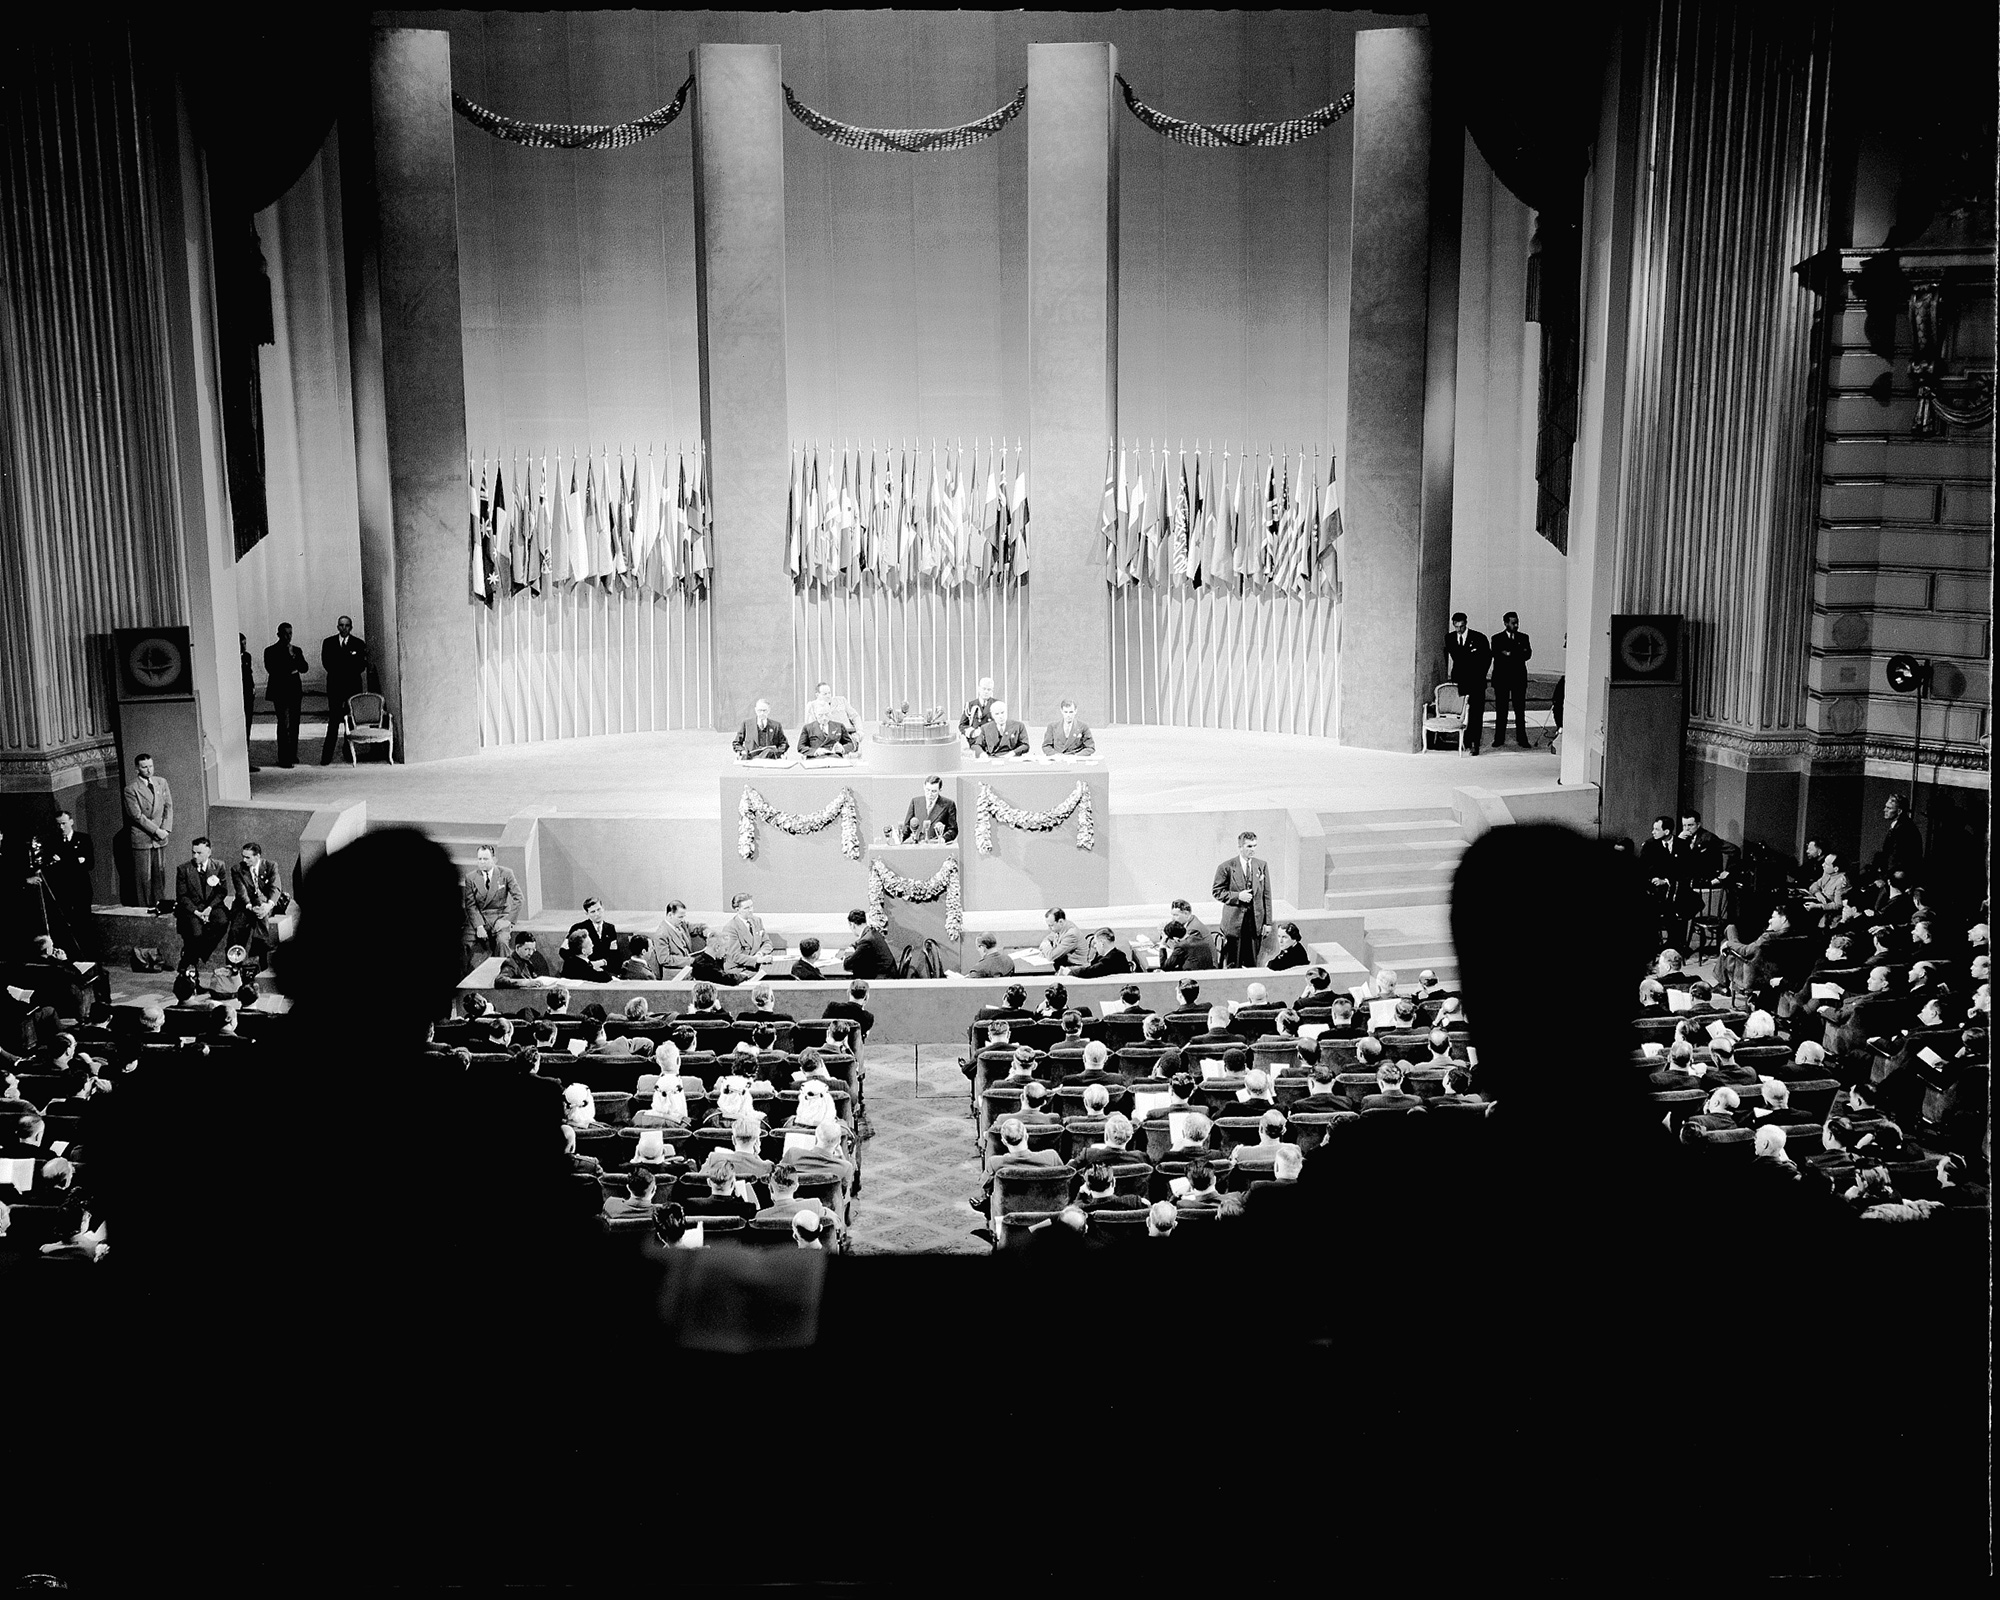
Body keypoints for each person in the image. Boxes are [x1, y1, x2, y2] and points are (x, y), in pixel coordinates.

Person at [1211, 830, 1271, 969]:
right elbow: (1217, 891)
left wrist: (1267, 922)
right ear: (1240, 847)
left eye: (1255, 846)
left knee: (1252, 961)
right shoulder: (1227, 867)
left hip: (1255, 921)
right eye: (1249, 846)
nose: (1253, 850)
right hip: (1234, 922)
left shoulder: (1261, 865)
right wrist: (1238, 896)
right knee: (1233, 961)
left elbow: (1266, 895)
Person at [40, 809, 95, 958]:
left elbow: (89, 864)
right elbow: (51, 867)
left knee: (83, 923)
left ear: (71, 822)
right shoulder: (53, 842)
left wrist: (64, 860)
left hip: (81, 889)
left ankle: (88, 955)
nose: (61, 827)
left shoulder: (83, 839)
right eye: (58, 825)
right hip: (63, 891)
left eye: (64, 823)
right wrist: (75, 860)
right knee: (65, 924)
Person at [122, 752, 173, 907]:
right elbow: (137, 816)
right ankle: (145, 909)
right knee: (144, 878)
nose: (149, 770)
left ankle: (161, 906)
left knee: (160, 874)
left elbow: (168, 807)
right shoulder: (131, 789)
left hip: (160, 837)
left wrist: (165, 829)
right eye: (144, 767)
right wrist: (156, 831)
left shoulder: (161, 782)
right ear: (137, 769)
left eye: (150, 766)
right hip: (143, 837)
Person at [461, 845, 523, 969]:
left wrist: (507, 921)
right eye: (480, 859)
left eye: (486, 859)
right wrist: (479, 926)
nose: (482, 862)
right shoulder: (471, 878)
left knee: (502, 942)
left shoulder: (506, 874)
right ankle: (461, 978)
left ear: (494, 859)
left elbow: (519, 898)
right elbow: (471, 905)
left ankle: (504, 974)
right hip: (479, 916)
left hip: (500, 916)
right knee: (464, 942)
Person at [225, 841, 287, 960]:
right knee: (236, 930)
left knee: (262, 913)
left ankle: (258, 949)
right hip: (245, 905)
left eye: (248, 857)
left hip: (266, 903)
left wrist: (268, 905)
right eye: (243, 856)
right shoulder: (237, 869)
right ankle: (234, 961)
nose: (244, 860)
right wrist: (250, 906)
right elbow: (241, 892)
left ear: (257, 856)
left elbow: (276, 887)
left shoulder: (271, 866)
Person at [319, 615, 369, 763]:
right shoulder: (328, 643)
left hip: (352, 687)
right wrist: (346, 665)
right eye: (341, 625)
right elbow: (327, 663)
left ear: (351, 627)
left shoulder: (358, 644)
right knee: (333, 721)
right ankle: (326, 756)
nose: (344, 628)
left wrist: (344, 667)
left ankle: (349, 753)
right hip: (335, 687)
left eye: (347, 625)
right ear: (337, 627)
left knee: (350, 721)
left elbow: (360, 665)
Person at [175, 837, 229, 972]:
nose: (195, 856)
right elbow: (182, 896)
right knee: (196, 934)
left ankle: (194, 956)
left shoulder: (219, 866)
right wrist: (197, 912)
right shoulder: (183, 869)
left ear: (209, 852)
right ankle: (189, 962)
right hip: (193, 908)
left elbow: (222, 892)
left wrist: (210, 908)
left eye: (199, 853)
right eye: (193, 852)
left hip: (213, 906)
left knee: (222, 922)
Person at [1444, 611, 1493, 755]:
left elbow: (1487, 658)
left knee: (1476, 714)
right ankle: (1463, 741)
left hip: (1476, 680)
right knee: (1461, 712)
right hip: (1460, 680)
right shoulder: (1449, 638)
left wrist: (1480, 675)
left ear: (1466, 623)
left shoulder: (1479, 638)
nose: (1459, 630)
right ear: (1453, 625)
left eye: (1462, 626)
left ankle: (1474, 743)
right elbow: (1455, 656)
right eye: (1457, 627)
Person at [263, 622, 308, 768]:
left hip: (294, 691)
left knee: (294, 723)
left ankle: (292, 754)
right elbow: (273, 669)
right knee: (283, 723)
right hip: (280, 691)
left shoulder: (296, 650)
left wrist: (292, 657)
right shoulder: (270, 651)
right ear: (278, 634)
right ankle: (283, 758)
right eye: (285, 633)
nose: (288, 637)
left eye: (290, 633)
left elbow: (304, 668)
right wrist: (291, 667)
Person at [1489, 611, 1532, 748]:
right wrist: (1517, 652)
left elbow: (1527, 654)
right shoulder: (1496, 638)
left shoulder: (1524, 637)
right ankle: (1499, 738)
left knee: (1520, 710)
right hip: (1502, 679)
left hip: (1518, 679)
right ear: (1506, 623)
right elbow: (1498, 654)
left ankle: (1522, 738)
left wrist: (1510, 653)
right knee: (1501, 710)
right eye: (1513, 623)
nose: (1516, 625)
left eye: (1517, 622)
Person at [1872, 791, 1924, 884]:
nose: (1884, 810)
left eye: (1889, 808)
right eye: (1885, 807)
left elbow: (1897, 858)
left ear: (1899, 811)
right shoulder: (1899, 826)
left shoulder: (1904, 829)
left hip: (1898, 880)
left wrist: (1885, 878)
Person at [901, 774, 958, 843]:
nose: (930, 794)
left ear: (940, 790)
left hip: (936, 846)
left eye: (933, 791)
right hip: (917, 845)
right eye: (928, 790)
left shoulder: (948, 804)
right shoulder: (915, 802)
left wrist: (943, 839)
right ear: (924, 787)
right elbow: (907, 825)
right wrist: (901, 840)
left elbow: (953, 829)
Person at [841, 909, 894, 979]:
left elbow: (848, 964)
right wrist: (853, 947)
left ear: (852, 925)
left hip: (882, 978)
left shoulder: (866, 941)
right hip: (887, 972)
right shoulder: (872, 932)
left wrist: (845, 957)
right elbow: (858, 943)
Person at [239, 633, 260, 773]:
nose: (244, 646)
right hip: (239, 695)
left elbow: (249, 674)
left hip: (248, 696)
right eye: (241, 643)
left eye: (245, 643)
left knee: (247, 728)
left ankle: (247, 760)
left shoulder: (247, 657)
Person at [958, 677, 998, 744]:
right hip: (975, 741)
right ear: (979, 689)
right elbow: (962, 725)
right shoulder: (970, 705)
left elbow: (1003, 724)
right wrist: (973, 732)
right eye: (984, 689)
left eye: (989, 689)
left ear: (992, 691)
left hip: (992, 742)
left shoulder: (997, 705)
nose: (986, 692)